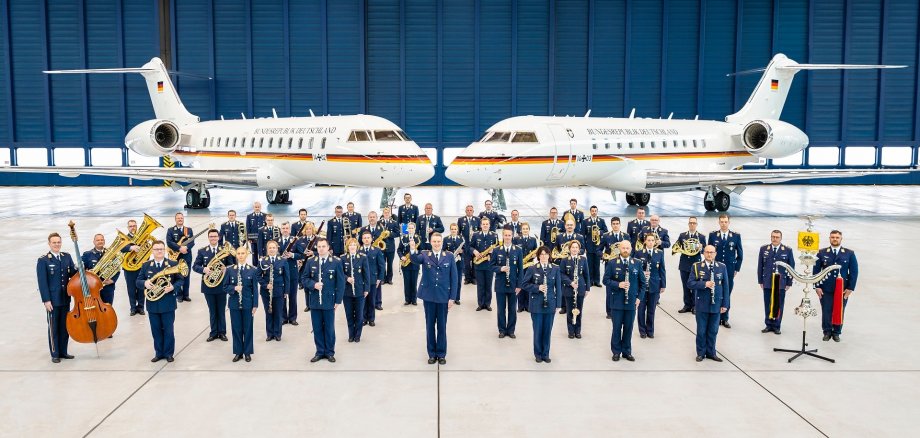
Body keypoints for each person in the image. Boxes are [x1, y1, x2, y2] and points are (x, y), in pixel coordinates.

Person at [410, 233, 458, 365]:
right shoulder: (425, 255)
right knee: (430, 326)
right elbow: (415, 259)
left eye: (438, 241)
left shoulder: (448, 256)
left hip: (443, 297)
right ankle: (432, 353)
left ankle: (441, 354)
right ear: (430, 242)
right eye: (434, 241)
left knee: (442, 327)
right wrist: (413, 248)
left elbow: (454, 279)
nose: (437, 244)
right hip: (429, 297)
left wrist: (452, 298)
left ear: (442, 242)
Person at [137, 241, 184, 363]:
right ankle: (159, 353)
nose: (159, 251)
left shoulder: (173, 264)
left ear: (165, 251)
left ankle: (168, 353)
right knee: (156, 330)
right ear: (152, 251)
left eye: (161, 249)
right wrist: (145, 283)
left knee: (168, 330)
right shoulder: (146, 265)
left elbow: (180, 280)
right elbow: (138, 281)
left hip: (168, 303)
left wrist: (173, 287)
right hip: (153, 305)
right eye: (157, 249)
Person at [301, 238, 345, 363]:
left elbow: (340, 283)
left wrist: (338, 300)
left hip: (329, 300)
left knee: (329, 328)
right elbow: (304, 279)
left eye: (323, 246)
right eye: (319, 246)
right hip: (314, 301)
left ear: (328, 247)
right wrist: (313, 284)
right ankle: (320, 351)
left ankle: (330, 352)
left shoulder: (336, 262)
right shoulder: (311, 262)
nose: (321, 249)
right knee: (317, 327)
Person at [37, 232, 77, 363]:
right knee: (53, 328)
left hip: (65, 298)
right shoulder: (43, 260)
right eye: (54, 242)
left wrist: (81, 268)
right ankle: (55, 354)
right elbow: (42, 283)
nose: (56, 244)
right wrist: (46, 300)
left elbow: (72, 273)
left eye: (58, 242)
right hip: (52, 301)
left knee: (65, 327)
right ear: (49, 244)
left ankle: (63, 352)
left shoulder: (66, 257)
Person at [603, 240, 645, 362]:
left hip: (632, 302)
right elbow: (605, 280)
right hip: (617, 302)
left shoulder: (636, 263)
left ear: (631, 249)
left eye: (627, 248)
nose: (625, 250)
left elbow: (643, 283)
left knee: (628, 328)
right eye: (623, 248)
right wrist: (618, 284)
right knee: (616, 328)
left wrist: (639, 298)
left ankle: (627, 351)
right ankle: (616, 352)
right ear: (619, 249)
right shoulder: (611, 263)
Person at [814, 230, 859, 342]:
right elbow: (816, 271)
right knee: (826, 310)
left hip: (842, 289)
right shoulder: (821, 253)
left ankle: (837, 332)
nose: (835, 239)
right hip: (826, 288)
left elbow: (854, 272)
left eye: (837, 237)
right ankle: (827, 331)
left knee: (839, 310)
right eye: (833, 237)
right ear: (829, 238)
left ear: (841, 239)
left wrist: (850, 288)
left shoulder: (849, 253)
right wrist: (817, 286)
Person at [688, 245, 729, 362]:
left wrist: (725, 304)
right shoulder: (696, 267)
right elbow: (690, 283)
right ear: (703, 253)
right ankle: (701, 353)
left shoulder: (721, 267)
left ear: (715, 253)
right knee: (701, 331)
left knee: (713, 330)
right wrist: (704, 284)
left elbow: (726, 287)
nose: (709, 254)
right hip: (702, 304)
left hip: (716, 304)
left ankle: (711, 352)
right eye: (707, 252)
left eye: (712, 252)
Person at [521, 246, 561, 363]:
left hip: (550, 304)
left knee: (547, 330)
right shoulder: (532, 268)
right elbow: (524, 284)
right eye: (541, 254)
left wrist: (558, 304)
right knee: (538, 330)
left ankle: (546, 353)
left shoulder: (555, 269)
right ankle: (538, 354)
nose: (544, 256)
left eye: (546, 254)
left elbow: (558, 288)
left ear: (549, 256)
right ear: (538, 256)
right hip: (536, 304)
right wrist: (537, 287)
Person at [192, 229, 229, 342]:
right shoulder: (202, 251)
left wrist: (225, 269)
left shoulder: (225, 250)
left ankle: (222, 332)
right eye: (211, 236)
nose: (213, 238)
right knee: (212, 310)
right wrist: (204, 269)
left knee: (221, 310)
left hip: (222, 285)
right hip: (208, 286)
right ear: (208, 238)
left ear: (218, 237)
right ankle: (213, 332)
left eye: (215, 236)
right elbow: (195, 266)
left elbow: (233, 265)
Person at [224, 245, 259, 362]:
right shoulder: (230, 270)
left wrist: (255, 305)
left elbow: (255, 289)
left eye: (243, 253)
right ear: (236, 255)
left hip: (248, 304)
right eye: (238, 253)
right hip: (234, 304)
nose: (240, 256)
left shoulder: (253, 270)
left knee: (248, 328)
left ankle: (247, 352)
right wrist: (234, 288)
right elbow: (225, 286)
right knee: (236, 328)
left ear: (247, 254)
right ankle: (238, 352)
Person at [708, 214, 742, 328]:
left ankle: (725, 318)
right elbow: (709, 252)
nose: (723, 223)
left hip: (729, 270)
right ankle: (716, 317)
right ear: (719, 222)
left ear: (729, 223)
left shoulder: (736, 236)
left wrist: (736, 268)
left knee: (727, 293)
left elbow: (740, 254)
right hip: (716, 269)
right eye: (721, 221)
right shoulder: (713, 235)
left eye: (725, 221)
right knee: (717, 293)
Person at [757, 230, 795, 335]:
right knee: (768, 303)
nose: (775, 239)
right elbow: (760, 266)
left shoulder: (787, 250)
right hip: (767, 281)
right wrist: (760, 280)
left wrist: (789, 282)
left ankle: (777, 325)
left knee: (779, 304)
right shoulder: (764, 249)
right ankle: (768, 324)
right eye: (773, 236)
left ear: (781, 238)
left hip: (781, 283)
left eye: (777, 237)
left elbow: (791, 267)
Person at [491, 227, 523, 339]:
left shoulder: (518, 250)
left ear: (512, 236)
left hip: (514, 285)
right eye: (506, 235)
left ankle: (511, 330)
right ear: (502, 236)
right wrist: (500, 269)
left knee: (512, 309)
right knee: (501, 309)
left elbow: (521, 269)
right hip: (500, 285)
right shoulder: (496, 250)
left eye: (509, 235)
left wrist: (519, 286)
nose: (507, 237)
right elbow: (491, 267)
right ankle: (502, 330)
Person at [634, 233, 666, 339]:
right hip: (642, 286)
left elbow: (662, 270)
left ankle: (650, 330)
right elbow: (634, 270)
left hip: (654, 285)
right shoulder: (638, 253)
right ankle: (642, 331)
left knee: (652, 309)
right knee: (641, 309)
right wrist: (642, 272)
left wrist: (663, 285)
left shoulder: (659, 253)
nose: (651, 242)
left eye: (653, 240)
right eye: (649, 240)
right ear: (645, 241)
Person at [342, 238, 370, 343]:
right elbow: (340, 274)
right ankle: (351, 334)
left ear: (357, 246)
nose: (352, 247)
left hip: (359, 290)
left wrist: (366, 289)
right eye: (350, 245)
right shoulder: (343, 258)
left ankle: (357, 335)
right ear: (347, 247)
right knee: (349, 314)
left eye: (354, 245)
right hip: (347, 291)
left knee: (359, 315)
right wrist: (347, 278)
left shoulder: (362, 258)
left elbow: (366, 274)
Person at [560, 240, 590, 339]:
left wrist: (587, 288)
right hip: (569, 289)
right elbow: (561, 274)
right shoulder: (565, 260)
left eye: (576, 247)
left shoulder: (583, 259)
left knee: (579, 310)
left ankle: (578, 330)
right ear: (569, 249)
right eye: (573, 247)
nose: (574, 249)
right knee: (569, 311)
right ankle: (571, 331)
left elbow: (586, 275)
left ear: (579, 249)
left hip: (580, 288)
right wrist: (570, 282)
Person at [676, 217, 706, 314]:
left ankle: (695, 306)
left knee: (695, 286)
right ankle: (687, 305)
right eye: (690, 223)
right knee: (685, 286)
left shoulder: (701, 237)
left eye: (694, 223)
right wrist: (682, 248)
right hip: (684, 264)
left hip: (696, 265)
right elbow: (676, 247)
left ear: (696, 224)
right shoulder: (682, 235)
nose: (692, 225)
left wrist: (701, 248)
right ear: (688, 224)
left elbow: (705, 251)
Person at [259, 240, 287, 341]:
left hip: (279, 291)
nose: (272, 249)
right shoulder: (262, 261)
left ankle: (277, 333)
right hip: (266, 292)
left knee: (278, 313)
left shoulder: (283, 260)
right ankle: (270, 333)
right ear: (267, 249)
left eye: (273, 248)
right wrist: (266, 285)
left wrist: (286, 291)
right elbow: (258, 276)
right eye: (270, 248)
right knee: (269, 313)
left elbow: (286, 277)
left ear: (277, 248)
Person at [600, 217, 628, 319]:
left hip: (624, 265)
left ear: (620, 224)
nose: (615, 225)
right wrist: (603, 255)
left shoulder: (625, 236)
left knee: (622, 287)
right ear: (611, 225)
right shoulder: (606, 236)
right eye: (613, 223)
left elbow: (630, 250)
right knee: (610, 289)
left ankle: (620, 308)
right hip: (610, 265)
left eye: (617, 223)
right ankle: (609, 311)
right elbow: (599, 249)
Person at [81, 233, 119, 305]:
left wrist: (112, 280)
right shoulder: (87, 254)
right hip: (93, 287)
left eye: (102, 240)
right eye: (98, 240)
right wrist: (87, 273)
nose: (100, 241)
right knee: (95, 309)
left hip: (107, 287)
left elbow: (117, 269)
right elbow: (81, 269)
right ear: (94, 242)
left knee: (108, 309)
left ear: (104, 241)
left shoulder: (111, 253)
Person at [471, 217, 498, 311]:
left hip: (489, 264)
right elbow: (470, 247)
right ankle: (480, 304)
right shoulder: (475, 235)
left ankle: (487, 304)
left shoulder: (494, 235)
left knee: (488, 285)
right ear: (481, 225)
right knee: (480, 285)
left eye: (487, 224)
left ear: (489, 225)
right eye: (484, 224)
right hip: (479, 264)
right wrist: (474, 251)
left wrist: (493, 253)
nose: (485, 226)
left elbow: (498, 248)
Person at [165, 212, 194, 302]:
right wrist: (179, 248)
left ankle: (186, 295)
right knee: (177, 276)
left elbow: (192, 242)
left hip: (187, 256)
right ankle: (179, 295)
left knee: (186, 276)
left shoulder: (188, 230)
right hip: (175, 258)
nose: (180, 219)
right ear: (175, 219)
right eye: (178, 218)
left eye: (181, 218)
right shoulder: (170, 230)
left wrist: (187, 248)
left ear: (183, 219)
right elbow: (169, 242)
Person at [277, 222, 301, 326]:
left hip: (292, 271)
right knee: (282, 295)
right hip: (280, 273)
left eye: (287, 228)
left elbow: (302, 255)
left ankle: (292, 318)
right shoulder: (276, 241)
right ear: (281, 230)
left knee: (292, 295)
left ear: (290, 230)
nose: (285, 230)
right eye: (283, 228)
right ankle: (283, 317)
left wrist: (292, 255)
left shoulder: (295, 241)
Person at [360, 231, 385, 326]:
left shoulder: (377, 250)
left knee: (371, 300)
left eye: (368, 238)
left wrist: (380, 278)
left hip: (373, 279)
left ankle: (371, 319)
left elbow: (381, 266)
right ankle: (363, 318)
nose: (366, 239)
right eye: (364, 238)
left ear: (371, 239)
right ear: (362, 240)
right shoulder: (359, 250)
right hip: (361, 280)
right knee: (363, 300)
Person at [513, 222, 540, 313]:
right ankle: (520, 306)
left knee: (528, 284)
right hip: (519, 264)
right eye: (523, 229)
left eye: (526, 229)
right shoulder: (516, 239)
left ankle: (528, 306)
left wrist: (534, 255)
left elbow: (536, 251)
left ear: (529, 230)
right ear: (521, 230)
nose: (525, 230)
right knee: (520, 283)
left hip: (529, 265)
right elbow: (513, 250)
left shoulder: (533, 239)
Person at [122, 219, 145, 316]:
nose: (133, 228)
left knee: (141, 288)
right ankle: (133, 308)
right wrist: (131, 248)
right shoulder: (124, 238)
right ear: (128, 228)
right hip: (129, 268)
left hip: (140, 267)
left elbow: (146, 249)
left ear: (137, 226)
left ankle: (141, 307)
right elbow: (120, 248)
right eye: (130, 226)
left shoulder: (142, 237)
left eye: (134, 226)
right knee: (131, 289)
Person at [581, 206, 608, 287]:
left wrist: (600, 232)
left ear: (597, 211)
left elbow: (606, 231)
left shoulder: (601, 221)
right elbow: (582, 234)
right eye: (592, 211)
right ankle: (590, 281)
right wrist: (584, 247)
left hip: (598, 247)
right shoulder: (585, 221)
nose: (594, 212)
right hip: (589, 246)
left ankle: (597, 281)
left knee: (597, 265)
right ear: (590, 212)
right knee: (589, 265)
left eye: (595, 211)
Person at [397, 223, 422, 305]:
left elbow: (421, 251)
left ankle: (414, 300)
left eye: (412, 228)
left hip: (415, 264)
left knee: (414, 283)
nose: (411, 229)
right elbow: (399, 250)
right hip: (405, 264)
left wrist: (416, 253)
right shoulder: (403, 238)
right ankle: (407, 299)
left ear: (415, 229)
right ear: (407, 229)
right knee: (406, 282)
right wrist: (402, 257)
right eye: (409, 228)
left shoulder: (418, 238)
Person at [442, 224, 465, 304]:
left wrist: (462, 251)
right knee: (449, 280)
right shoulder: (446, 239)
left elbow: (466, 250)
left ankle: (456, 298)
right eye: (452, 229)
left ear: (457, 230)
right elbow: (443, 251)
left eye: (455, 229)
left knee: (458, 281)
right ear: (450, 230)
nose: (453, 230)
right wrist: (448, 253)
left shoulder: (461, 239)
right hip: (449, 263)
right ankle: (449, 297)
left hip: (458, 263)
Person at [457, 205, 480, 285]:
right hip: (465, 245)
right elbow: (458, 233)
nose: (469, 211)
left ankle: (474, 278)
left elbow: (480, 232)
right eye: (468, 210)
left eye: (471, 210)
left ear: (473, 211)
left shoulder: (477, 219)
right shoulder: (460, 220)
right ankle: (467, 278)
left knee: (475, 262)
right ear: (465, 211)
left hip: (474, 246)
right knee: (466, 263)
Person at [379, 207, 401, 287]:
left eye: (388, 212)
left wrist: (389, 234)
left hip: (390, 246)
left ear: (390, 214)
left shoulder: (394, 223)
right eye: (385, 212)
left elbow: (398, 233)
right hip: (381, 247)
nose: (386, 214)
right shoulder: (379, 222)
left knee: (390, 264)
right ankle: (383, 279)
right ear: (383, 213)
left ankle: (389, 279)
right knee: (382, 263)